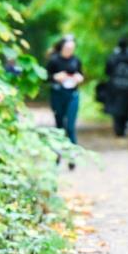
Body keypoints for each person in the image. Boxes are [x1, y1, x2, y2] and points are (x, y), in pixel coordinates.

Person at [46, 35, 84, 169]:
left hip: (72, 94)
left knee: (71, 127)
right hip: (58, 94)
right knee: (59, 126)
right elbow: (46, 77)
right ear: (62, 47)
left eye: (72, 48)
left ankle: (72, 156)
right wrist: (56, 77)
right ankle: (58, 154)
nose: (70, 50)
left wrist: (78, 78)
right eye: (68, 48)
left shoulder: (76, 60)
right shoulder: (54, 61)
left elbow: (81, 74)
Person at [105, 38, 128, 137]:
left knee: (116, 110)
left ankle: (118, 129)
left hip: (115, 88)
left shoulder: (113, 57)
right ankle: (123, 129)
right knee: (127, 109)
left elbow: (107, 71)